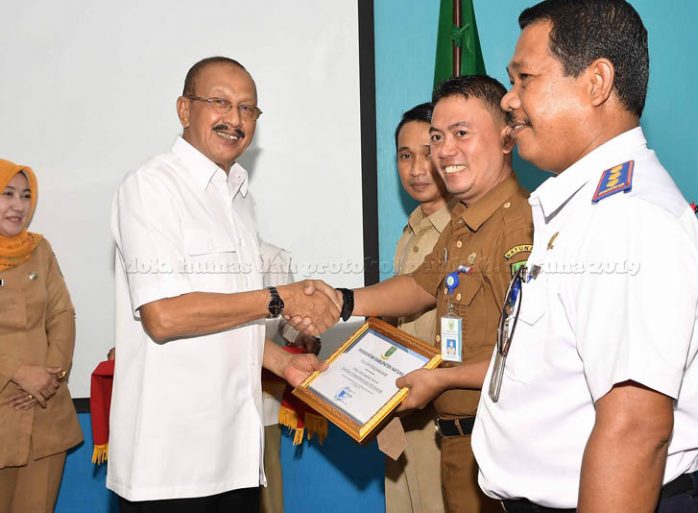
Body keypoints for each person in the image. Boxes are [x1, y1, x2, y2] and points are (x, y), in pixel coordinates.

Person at [472, 2, 698, 512]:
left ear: (596, 82)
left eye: (525, 78)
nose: (508, 99)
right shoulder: (586, 207)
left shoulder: (627, 219)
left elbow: (635, 430)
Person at [108, 56, 339, 512]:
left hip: (236, 457)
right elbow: (164, 316)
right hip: (169, 465)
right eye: (220, 102)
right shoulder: (152, 187)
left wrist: (282, 363)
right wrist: (280, 298)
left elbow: (227, 320)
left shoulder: (239, 199)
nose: (235, 119)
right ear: (184, 109)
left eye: (247, 108)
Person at [332, 75, 533, 513]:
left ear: (507, 137)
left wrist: (440, 379)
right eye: (438, 136)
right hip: (459, 441)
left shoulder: (519, 225)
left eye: (461, 133)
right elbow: (420, 286)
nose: (443, 151)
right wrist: (340, 301)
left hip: (499, 442)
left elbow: (529, 357)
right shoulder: (464, 220)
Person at [0, 160, 82, 513]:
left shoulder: (39, 249)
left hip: (44, 411)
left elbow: (62, 313)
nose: (18, 205)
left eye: (25, 195)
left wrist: (51, 375)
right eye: (7, 194)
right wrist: (17, 372)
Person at [385, 102, 450, 513]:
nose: (416, 169)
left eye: (428, 153)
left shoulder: (466, 230)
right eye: (405, 156)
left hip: (444, 415)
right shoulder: (411, 229)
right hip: (401, 411)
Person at [259, 238, 321, 513]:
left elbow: (287, 321)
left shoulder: (274, 259)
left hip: (261, 387)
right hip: (210, 389)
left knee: (265, 469)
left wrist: (303, 335)